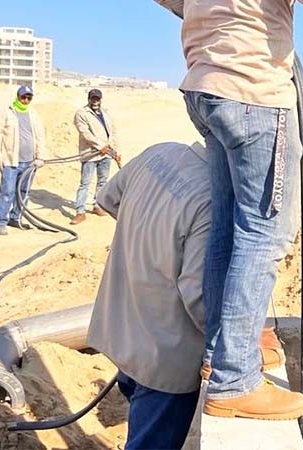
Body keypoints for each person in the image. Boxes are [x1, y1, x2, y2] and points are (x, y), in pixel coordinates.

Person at [179, 0, 303, 419]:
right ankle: (235, 380)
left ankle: (220, 356)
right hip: (252, 90)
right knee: (263, 235)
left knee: (229, 233)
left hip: (205, 84)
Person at [87, 141, 209, 450]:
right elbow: (198, 297)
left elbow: (107, 199)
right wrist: (240, 340)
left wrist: (146, 241)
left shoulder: (160, 152)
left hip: (123, 333)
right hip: (165, 359)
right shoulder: (211, 198)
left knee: (140, 424)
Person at [0, 85, 46, 236]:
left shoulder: (33, 114)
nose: (26, 100)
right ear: (18, 96)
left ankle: (15, 218)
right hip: (11, 161)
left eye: (29, 97)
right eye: (23, 97)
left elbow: (40, 136)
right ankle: (0, 221)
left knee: (23, 192)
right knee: (7, 192)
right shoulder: (6, 112)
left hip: (30, 162)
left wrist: (40, 156)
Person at [71, 88, 120, 225]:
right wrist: (100, 147)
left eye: (97, 99)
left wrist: (115, 151)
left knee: (102, 182)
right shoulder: (81, 113)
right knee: (85, 183)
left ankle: (97, 205)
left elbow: (113, 132)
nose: (95, 101)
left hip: (106, 154)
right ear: (89, 99)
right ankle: (80, 212)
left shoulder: (106, 113)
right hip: (90, 154)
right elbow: (85, 133)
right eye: (93, 98)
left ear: (100, 99)